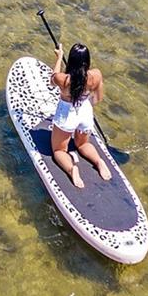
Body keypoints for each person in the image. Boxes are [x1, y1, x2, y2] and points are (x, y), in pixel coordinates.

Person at [48, 43, 109, 189]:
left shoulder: (64, 80)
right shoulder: (96, 75)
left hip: (67, 116)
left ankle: (71, 169)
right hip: (85, 113)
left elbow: (52, 80)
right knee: (82, 144)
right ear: (87, 61)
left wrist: (59, 57)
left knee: (59, 150)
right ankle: (99, 161)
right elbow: (97, 99)